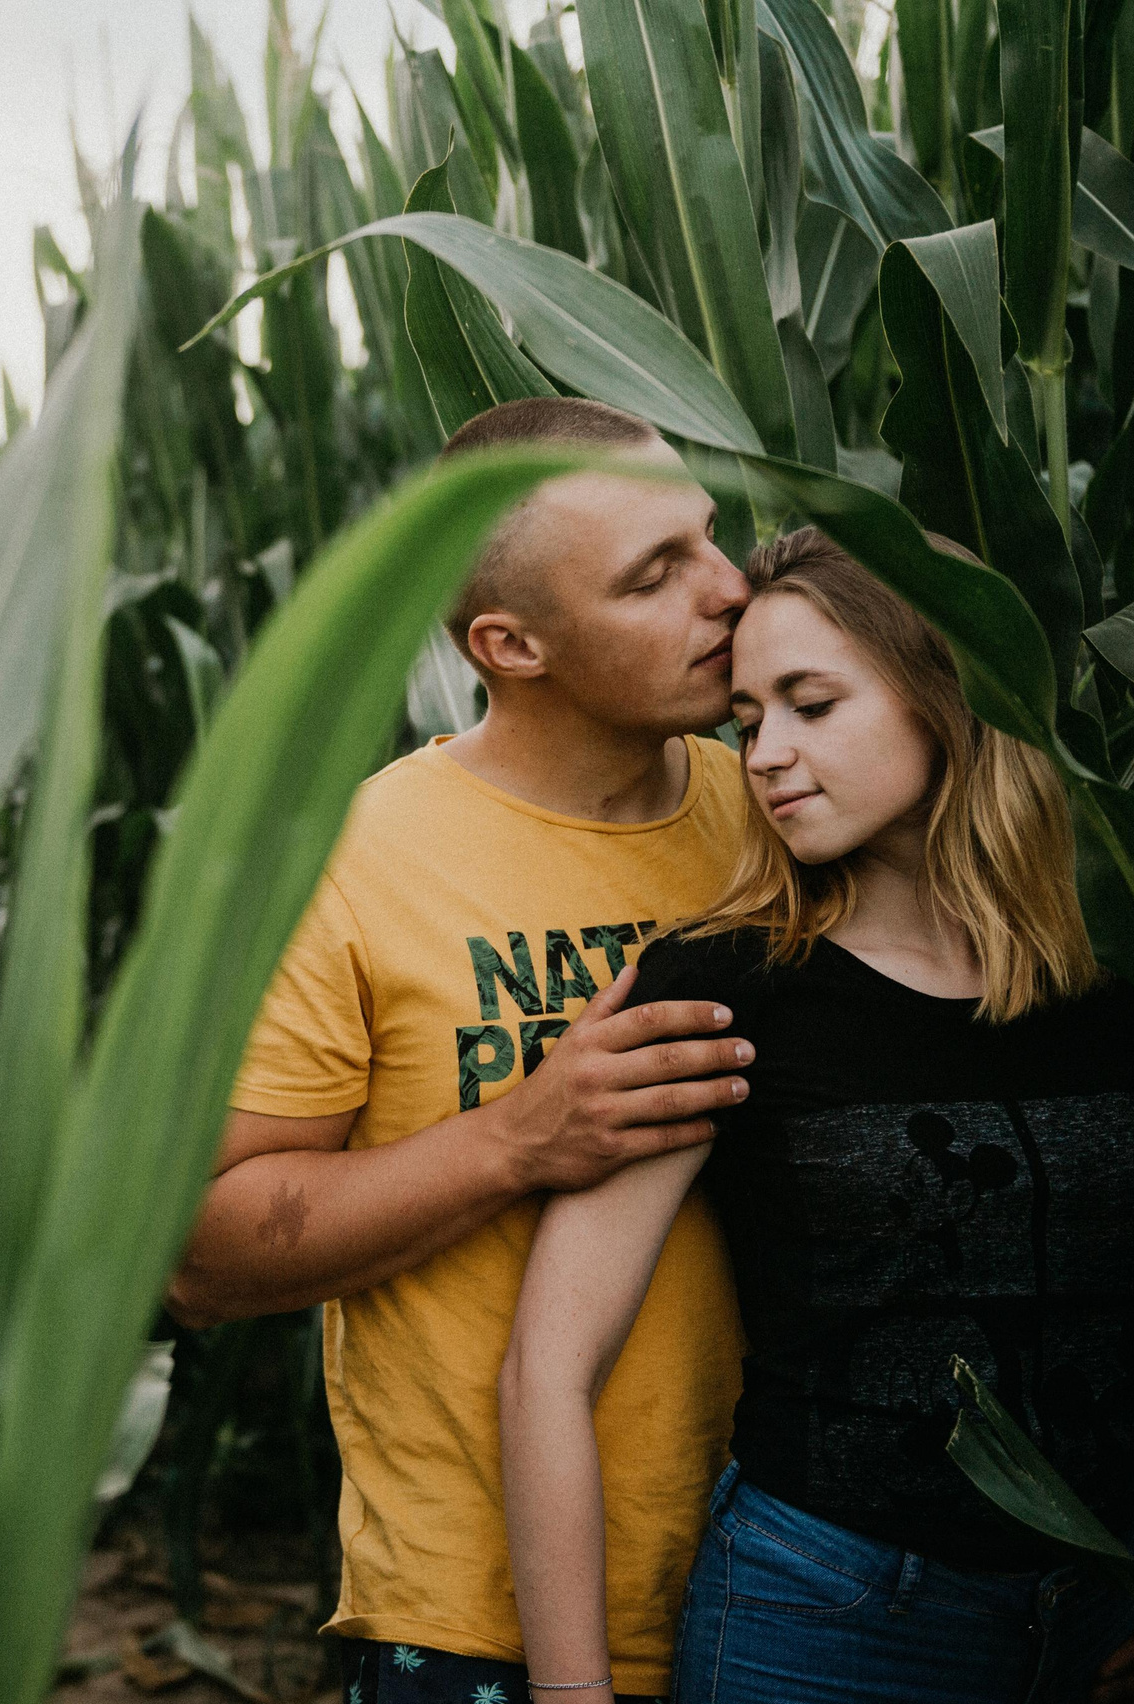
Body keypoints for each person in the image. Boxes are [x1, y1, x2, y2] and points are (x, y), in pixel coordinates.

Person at [497, 528, 1134, 1704]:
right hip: (828, 1618)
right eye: (747, 721)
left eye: (811, 704)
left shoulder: (1108, 981)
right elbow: (548, 1364)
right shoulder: (722, 989)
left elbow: (1107, 1297)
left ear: (951, 695)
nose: (767, 756)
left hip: (1096, 1619)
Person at [168, 397, 759, 1703]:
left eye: (713, 539)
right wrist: (518, 1138)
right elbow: (203, 1255)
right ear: (510, 643)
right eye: (654, 576)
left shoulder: (780, 816)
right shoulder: (353, 861)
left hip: (784, 1592)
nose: (728, 593)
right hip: (477, 1621)